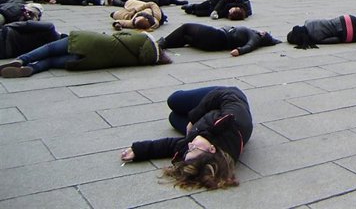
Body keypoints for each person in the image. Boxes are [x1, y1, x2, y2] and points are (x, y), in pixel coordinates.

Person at [121, 86, 252, 190]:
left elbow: (171, 145)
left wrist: (139, 151)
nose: (189, 146)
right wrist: (193, 118)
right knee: (174, 100)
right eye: (193, 148)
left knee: (173, 118)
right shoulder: (233, 122)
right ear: (212, 149)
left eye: (189, 150)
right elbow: (228, 94)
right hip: (220, 97)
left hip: (200, 126)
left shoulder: (201, 148)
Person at [0, 30, 170, 77]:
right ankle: (33, 69)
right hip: (90, 61)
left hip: (88, 41)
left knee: (49, 48)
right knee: (52, 62)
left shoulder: (142, 38)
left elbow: (119, 35)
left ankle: (22, 60)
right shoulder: (142, 61)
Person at [158, 23, 281, 56]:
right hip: (214, 42)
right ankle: (163, 46)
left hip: (218, 36)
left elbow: (250, 46)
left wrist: (239, 50)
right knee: (185, 38)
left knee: (186, 27)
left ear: (263, 36)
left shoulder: (255, 37)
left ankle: (161, 44)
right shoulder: (254, 35)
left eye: (265, 33)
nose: (263, 31)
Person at [287, 15, 356, 48]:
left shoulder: (316, 38)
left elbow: (335, 39)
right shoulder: (308, 21)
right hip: (348, 19)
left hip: (349, 35)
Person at [1, 20, 65, 59]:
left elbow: (25, 24)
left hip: (6, 36)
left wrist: (5, 27)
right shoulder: (54, 52)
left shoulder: (49, 27)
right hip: (7, 53)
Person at [183, 0, 253, 21]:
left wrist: (217, 16)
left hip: (219, 7)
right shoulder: (239, 1)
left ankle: (192, 11)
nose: (229, 11)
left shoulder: (231, 14)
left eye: (230, 13)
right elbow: (223, 1)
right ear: (237, 9)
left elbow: (222, 14)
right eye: (232, 10)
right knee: (202, 6)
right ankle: (192, 6)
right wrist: (215, 10)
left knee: (202, 13)